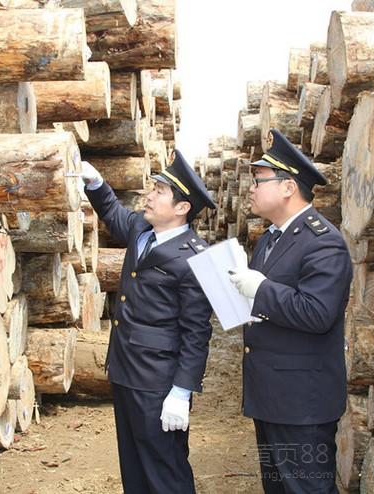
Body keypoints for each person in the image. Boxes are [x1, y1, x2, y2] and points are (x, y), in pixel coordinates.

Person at [81, 150, 215, 494]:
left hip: (158, 382)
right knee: (134, 466)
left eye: (160, 192)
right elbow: (113, 213)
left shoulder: (195, 257)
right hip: (125, 369)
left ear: (182, 208)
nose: (150, 196)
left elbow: (197, 333)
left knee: (164, 469)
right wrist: (95, 182)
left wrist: (181, 392)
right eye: (152, 188)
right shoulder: (143, 228)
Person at [229, 128, 353, 493]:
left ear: (287, 187)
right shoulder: (271, 238)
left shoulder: (323, 242)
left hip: (302, 404)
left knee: (306, 488)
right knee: (279, 487)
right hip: (271, 396)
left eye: (259, 180)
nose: (251, 188)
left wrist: (261, 290)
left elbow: (317, 313)